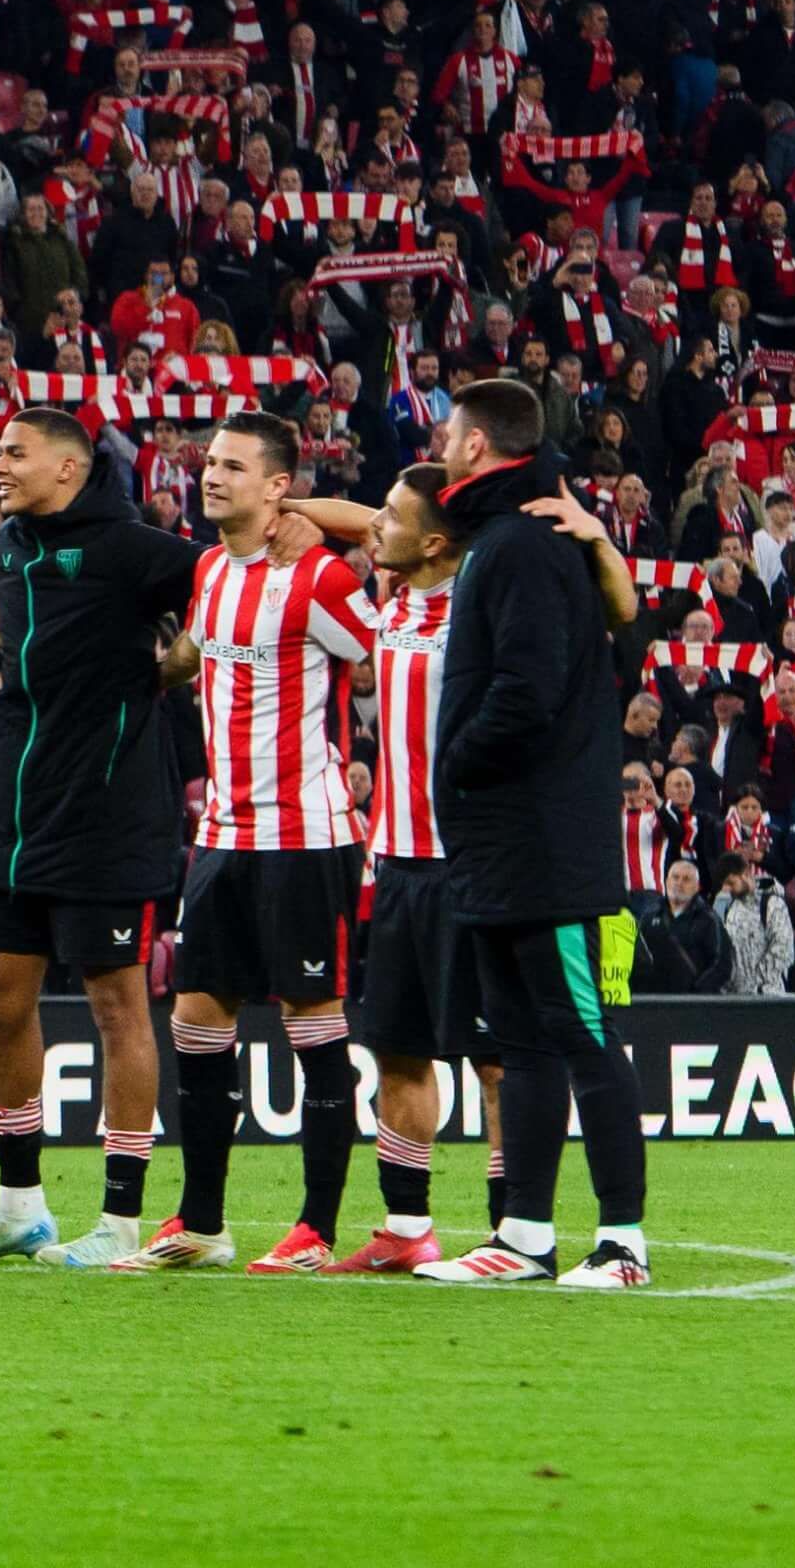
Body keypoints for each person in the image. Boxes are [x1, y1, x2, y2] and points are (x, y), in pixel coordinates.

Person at [0, 406, 203, 1271]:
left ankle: (121, 1222)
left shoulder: (133, 547)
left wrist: (178, 661)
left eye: (16, 453)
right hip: (17, 812)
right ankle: (19, 1207)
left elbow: (224, 584)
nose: (0, 465)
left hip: (108, 810)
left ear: (70, 468)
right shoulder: (9, 545)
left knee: (117, 1007)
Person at [122, 412, 375, 1274]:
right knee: (196, 1021)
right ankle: (200, 1221)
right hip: (222, 838)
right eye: (208, 463)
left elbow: (389, 655)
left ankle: (316, 1228)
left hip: (306, 836)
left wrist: (324, 522)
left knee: (313, 1026)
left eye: (233, 465)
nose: (210, 475)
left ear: (278, 487)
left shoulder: (321, 579)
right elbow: (190, 658)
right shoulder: (207, 574)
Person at [418, 378, 655, 1290]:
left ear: (478, 446)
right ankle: (523, 1237)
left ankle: (624, 1243)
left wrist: (457, 765)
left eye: (448, 433)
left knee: (581, 1033)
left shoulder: (521, 545)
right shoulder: (512, 538)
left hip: (545, 843)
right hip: (507, 843)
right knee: (520, 1042)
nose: (441, 445)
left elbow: (527, 688)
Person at [331, 464, 501, 1274]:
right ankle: (405, 1228)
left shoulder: (479, 603)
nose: (374, 527)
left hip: (468, 867)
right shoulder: (396, 599)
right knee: (399, 1050)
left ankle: (513, 1230)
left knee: (496, 1059)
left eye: (391, 517)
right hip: (396, 865)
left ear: (435, 540)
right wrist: (286, 505)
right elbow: (364, 518)